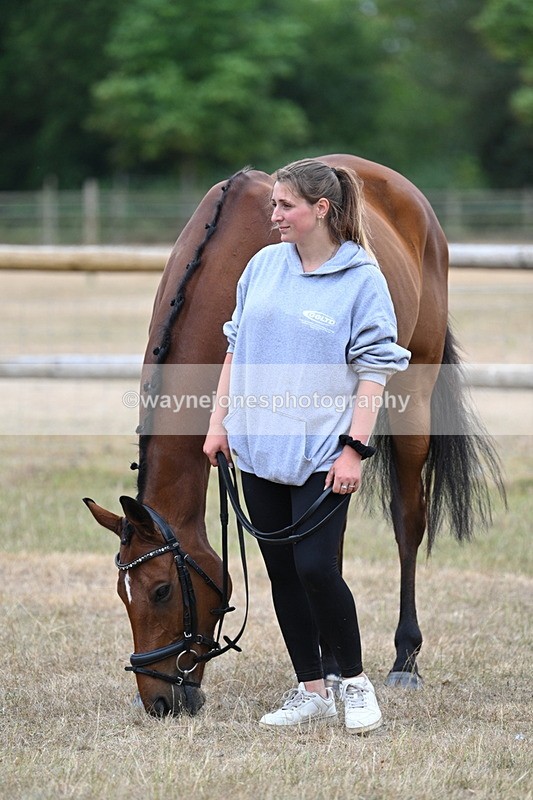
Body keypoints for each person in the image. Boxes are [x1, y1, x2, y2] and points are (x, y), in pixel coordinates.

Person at [203, 158, 410, 733]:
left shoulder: (362, 278)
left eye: (285, 205)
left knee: (318, 568)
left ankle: (356, 683)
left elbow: (375, 371)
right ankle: (310, 689)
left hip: (324, 452)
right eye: (273, 204)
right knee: (282, 572)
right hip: (258, 447)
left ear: (322, 209)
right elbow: (234, 349)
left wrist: (355, 450)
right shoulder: (264, 267)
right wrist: (218, 424)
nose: (274, 215)